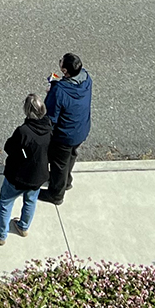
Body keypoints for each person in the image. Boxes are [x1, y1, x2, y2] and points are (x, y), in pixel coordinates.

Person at [0, 93, 54, 243]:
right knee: (30, 201)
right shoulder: (49, 127)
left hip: (18, 176)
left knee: (5, 203)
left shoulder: (24, 131)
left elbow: (9, 147)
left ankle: (1, 234)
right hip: (38, 176)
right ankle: (23, 226)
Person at [43, 53, 93, 204]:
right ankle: (66, 181)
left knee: (59, 163)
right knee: (71, 155)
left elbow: (51, 116)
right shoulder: (86, 79)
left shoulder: (59, 90)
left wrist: (51, 93)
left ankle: (56, 194)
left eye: (61, 62)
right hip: (81, 128)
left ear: (65, 71)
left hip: (65, 135)